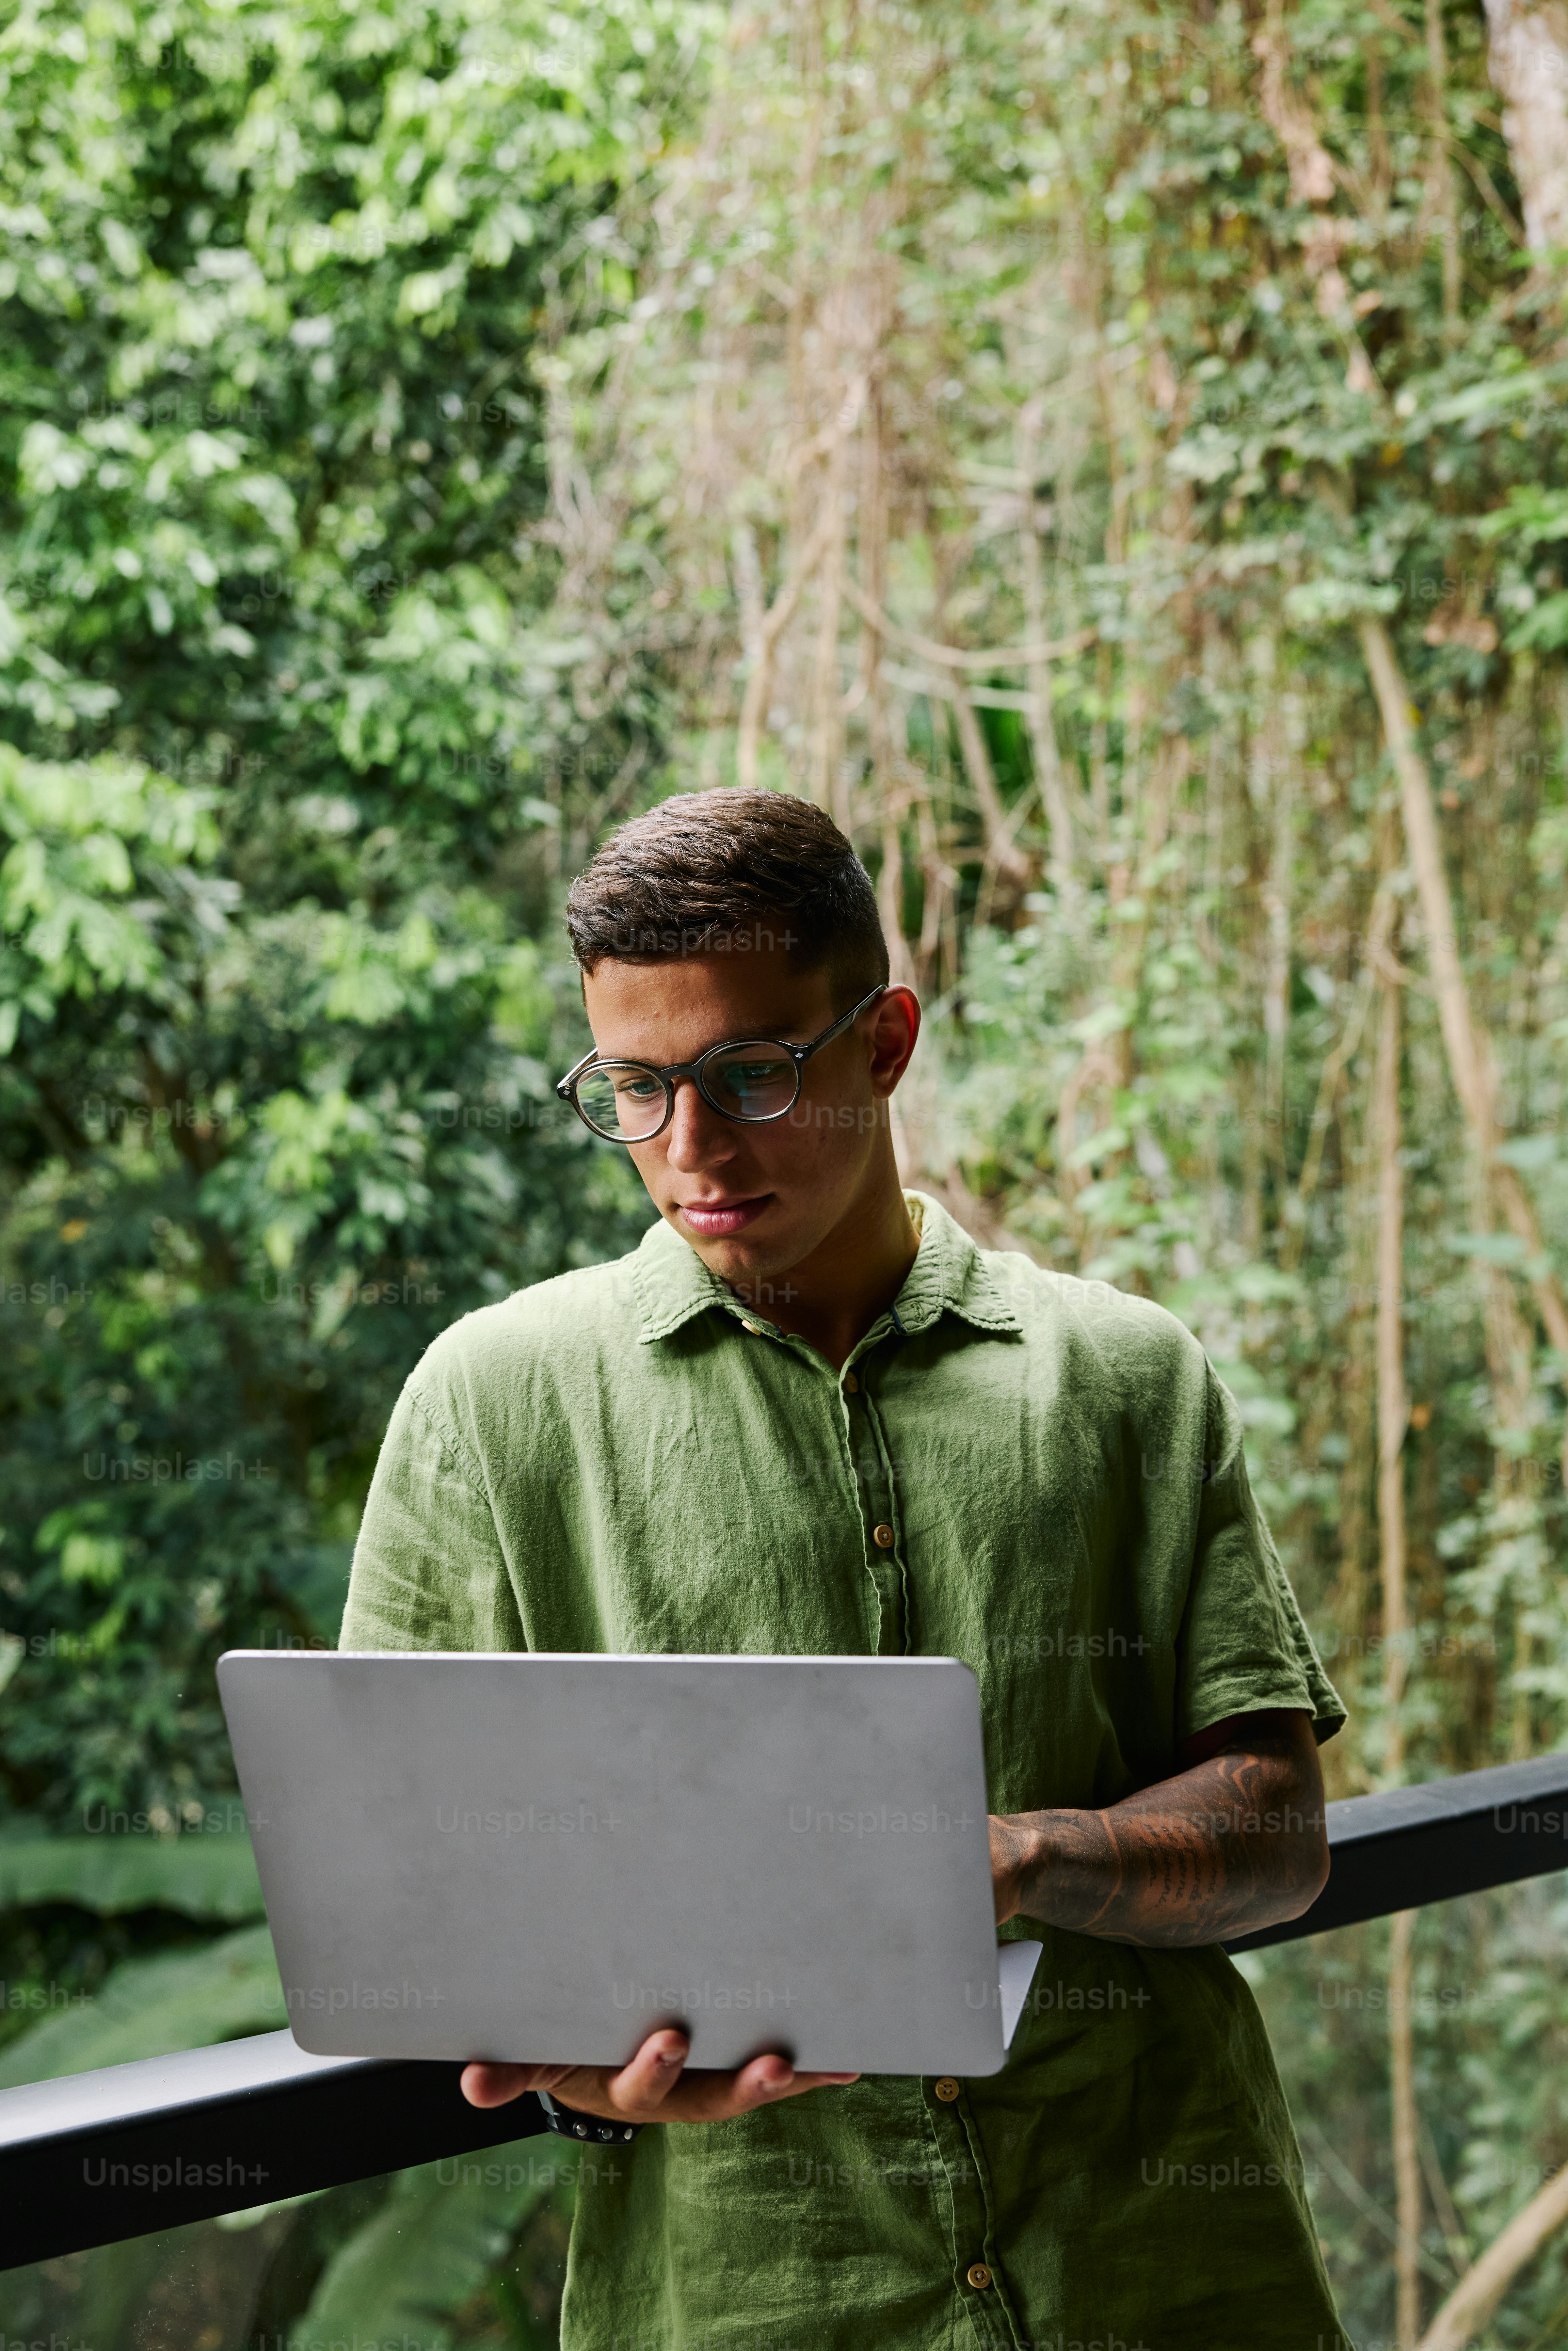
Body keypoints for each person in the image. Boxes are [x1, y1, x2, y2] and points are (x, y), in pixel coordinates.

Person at [341, 788, 1348, 2351]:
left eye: (751, 1072)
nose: (691, 1150)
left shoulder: (1128, 1379)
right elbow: (407, 1909)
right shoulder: (490, 1406)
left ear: (883, 1043)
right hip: (749, 2305)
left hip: (1161, 2277)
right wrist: (590, 2086)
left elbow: (1279, 1836)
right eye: (636, 1087)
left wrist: (1021, 1859)